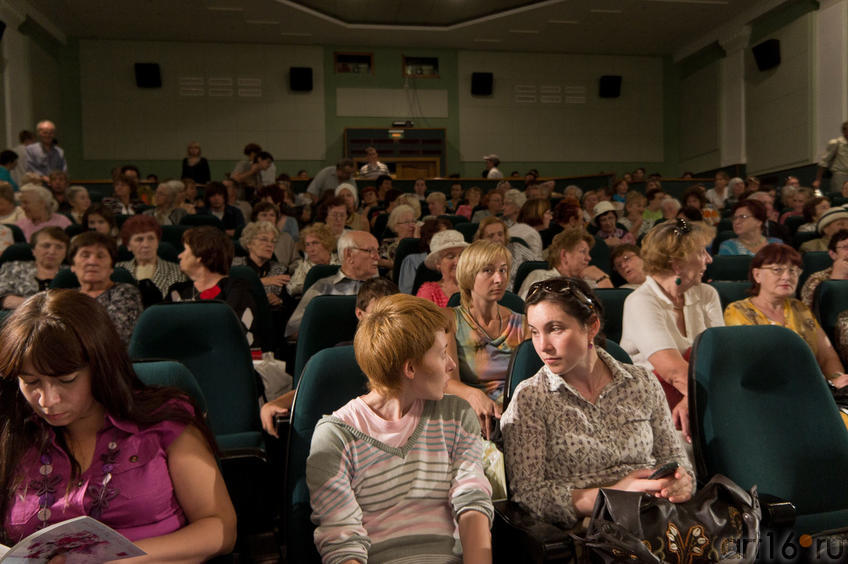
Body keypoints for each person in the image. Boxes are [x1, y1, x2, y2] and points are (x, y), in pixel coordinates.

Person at [0, 290, 237, 560]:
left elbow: (220, 528)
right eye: (31, 382)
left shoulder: (164, 421)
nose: (47, 400)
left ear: (101, 366)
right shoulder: (13, 434)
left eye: (67, 380)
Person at [307, 294, 493, 563]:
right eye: (442, 355)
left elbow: (472, 502)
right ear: (410, 368)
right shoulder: (336, 437)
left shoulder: (456, 415)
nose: (451, 365)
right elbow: (342, 541)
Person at [500, 277, 693, 528]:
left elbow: (676, 459)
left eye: (555, 329)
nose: (543, 346)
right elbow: (529, 496)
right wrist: (613, 495)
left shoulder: (641, 383)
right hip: (599, 531)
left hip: (661, 515)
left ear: (591, 327)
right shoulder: (531, 398)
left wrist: (682, 482)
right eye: (535, 332)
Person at [620, 218, 722, 440]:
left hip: (700, 398)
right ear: (677, 264)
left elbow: (722, 357)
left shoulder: (707, 294)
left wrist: (689, 401)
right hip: (653, 411)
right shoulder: (640, 302)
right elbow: (673, 371)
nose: (708, 259)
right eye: (701, 252)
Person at [725, 243, 848, 389]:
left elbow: (827, 356)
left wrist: (837, 380)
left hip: (817, 391)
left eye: (793, 270)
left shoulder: (800, 308)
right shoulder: (737, 310)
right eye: (777, 270)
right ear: (757, 275)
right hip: (768, 392)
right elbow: (753, 365)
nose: (787, 276)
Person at [450, 239, 525, 430]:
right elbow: (447, 382)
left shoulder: (524, 323)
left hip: (519, 413)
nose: (499, 279)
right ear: (468, 274)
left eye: (503, 270)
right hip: (471, 413)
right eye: (488, 270)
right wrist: (472, 394)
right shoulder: (449, 321)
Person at [285, 230, 379, 338]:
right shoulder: (322, 288)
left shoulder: (384, 289)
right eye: (369, 251)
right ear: (349, 254)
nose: (377, 257)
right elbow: (293, 331)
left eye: (377, 251)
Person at [69, 232, 143, 345]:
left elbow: (117, 334)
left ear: (111, 267)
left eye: (100, 256)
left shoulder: (125, 293)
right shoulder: (65, 298)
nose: (92, 262)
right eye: (85, 255)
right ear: (72, 266)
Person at [518, 229, 613, 300]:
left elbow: (611, 306)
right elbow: (524, 311)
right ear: (564, 255)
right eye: (583, 252)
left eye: (588, 253)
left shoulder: (588, 282)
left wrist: (602, 278)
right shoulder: (541, 277)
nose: (589, 258)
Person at [116, 215, 186, 299]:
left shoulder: (178, 271)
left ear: (158, 242)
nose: (146, 245)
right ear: (128, 246)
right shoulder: (117, 271)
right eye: (139, 239)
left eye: (151, 238)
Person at [0, 227, 68, 309]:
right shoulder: (13, 268)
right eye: (46, 246)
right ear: (33, 250)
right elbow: (3, 299)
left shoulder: (73, 273)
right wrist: (40, 306)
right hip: (19, 318)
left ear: (66, 252)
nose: (52, 251)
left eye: (59, 247)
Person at [233, 221, 290, 307]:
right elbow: (229, 290)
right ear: (249, 243)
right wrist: (262, 282)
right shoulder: (235, 266)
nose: (270, 245)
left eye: (273, 241)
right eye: (264, 239)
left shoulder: (281, 270)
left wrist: (279, 300)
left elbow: (289, 301)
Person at [475, 217, 537, 291]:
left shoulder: (517, 248)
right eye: (491, 236)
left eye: (500, 234)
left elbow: (539, 265)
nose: (497, 239)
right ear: (481, 239)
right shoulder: (476, 259)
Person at [416, 229, 468, 307]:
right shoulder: (429, 291)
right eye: (450, 257)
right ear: (438, 263)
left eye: (461, 255)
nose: (458, 261)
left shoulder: (475, 286)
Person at [287, 222, 338, 298]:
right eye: (307, 244)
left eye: (315, 243)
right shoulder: (303, 267)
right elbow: (291, 289)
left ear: (327, 244)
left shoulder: (341, 262)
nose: (310, 249)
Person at [801, 229, 848, 308]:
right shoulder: (817, 280)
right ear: (832, 254)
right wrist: (836, 279)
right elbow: (809, 314)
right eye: (845, 247)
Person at [814, 121, 848, 193]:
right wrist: (818, 180)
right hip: (840, 174)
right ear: (844, 131)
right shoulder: (836, 143)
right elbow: (824, 162)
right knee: (840, 195)